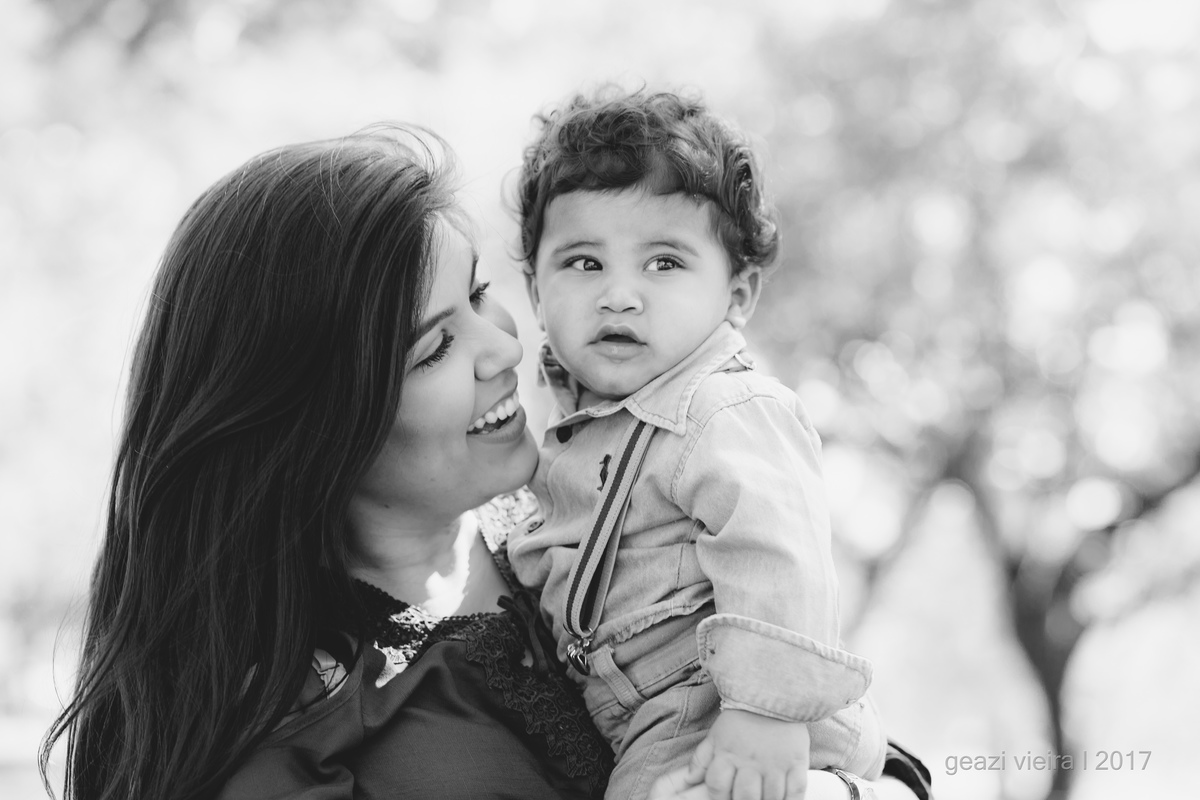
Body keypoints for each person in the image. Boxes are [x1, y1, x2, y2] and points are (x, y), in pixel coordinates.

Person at [39, 126, 929, 800]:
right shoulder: (286, 734)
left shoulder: (572, 531)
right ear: (314, 425)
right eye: (433, 349)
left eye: (478, 296)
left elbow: (855, 743)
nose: (503, 348)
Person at [507, 88, 889, 800]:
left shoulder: (724, 408)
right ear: (535, 290)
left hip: (726, 706)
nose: (620, 295)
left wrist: (767, 711)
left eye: (664, 264)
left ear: (738, 295)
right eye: (584, 263)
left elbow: (780, 557)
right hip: (653, 709)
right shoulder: (578, 429)